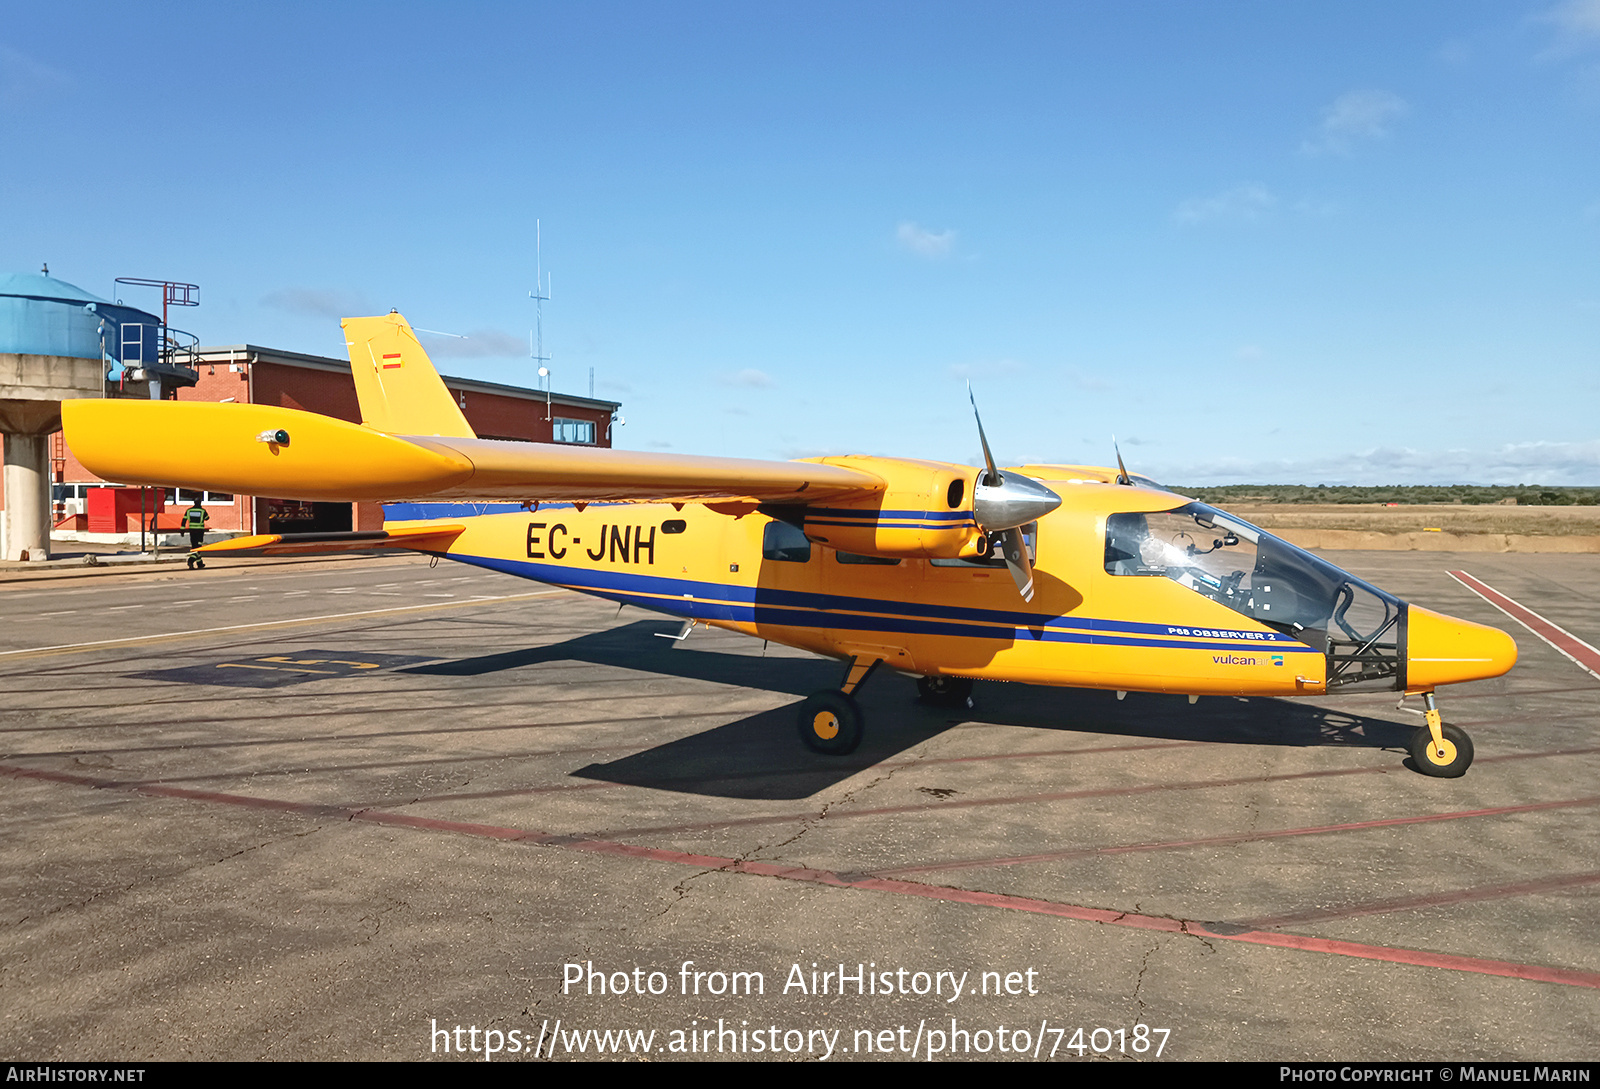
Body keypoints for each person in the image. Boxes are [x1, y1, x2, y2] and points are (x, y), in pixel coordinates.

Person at [183, 500, 210, 569]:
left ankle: (199, 563)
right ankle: (191, 560)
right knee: (198, 548)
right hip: (199, 532)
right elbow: (207, 518)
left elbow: (184, 520)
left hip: (192, 531)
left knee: (194, 547)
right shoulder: (202, 511)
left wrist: (182, 529)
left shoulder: (189, 510)